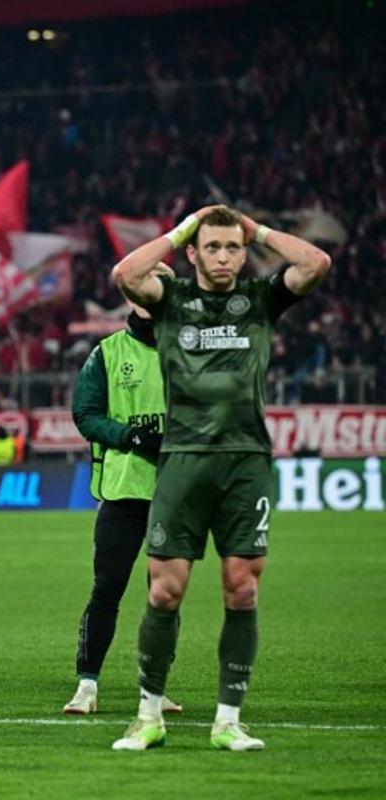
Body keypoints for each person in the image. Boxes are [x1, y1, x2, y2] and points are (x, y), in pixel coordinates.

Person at [110, 206, 331, 751]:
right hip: (183, 458)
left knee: (243, 588)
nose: (225, 257)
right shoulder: (173, 301)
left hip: (245, 461)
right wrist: (179, 230)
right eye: (213, 247)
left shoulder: (259, 300)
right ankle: (148, 715)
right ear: (193, 252)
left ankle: (228, 720)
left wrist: (258, 231)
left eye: (234, 248)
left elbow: (316, 262)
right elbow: (125, 276)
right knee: (165, 591)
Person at [63, 281, 182, 716]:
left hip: (175, 492)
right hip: (123, 491)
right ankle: (86, 685)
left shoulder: (188, 348)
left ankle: (156, 688)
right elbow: (85, 414)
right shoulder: (108, 352)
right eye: (141, 287)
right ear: (131, 297)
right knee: (107, 589)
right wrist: (130, 434)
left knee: (165, 594)